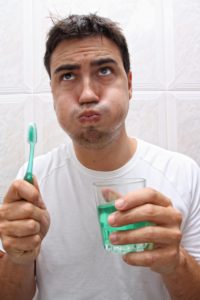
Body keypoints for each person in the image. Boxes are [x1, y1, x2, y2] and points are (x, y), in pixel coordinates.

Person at [0, 14, 200, 300]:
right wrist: (18, 258)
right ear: (53, 92)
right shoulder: (33, 181)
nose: (87, 94)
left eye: (104, 71)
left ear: (129, 84)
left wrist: (175, 262)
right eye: (67, 76)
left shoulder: (183, 172)